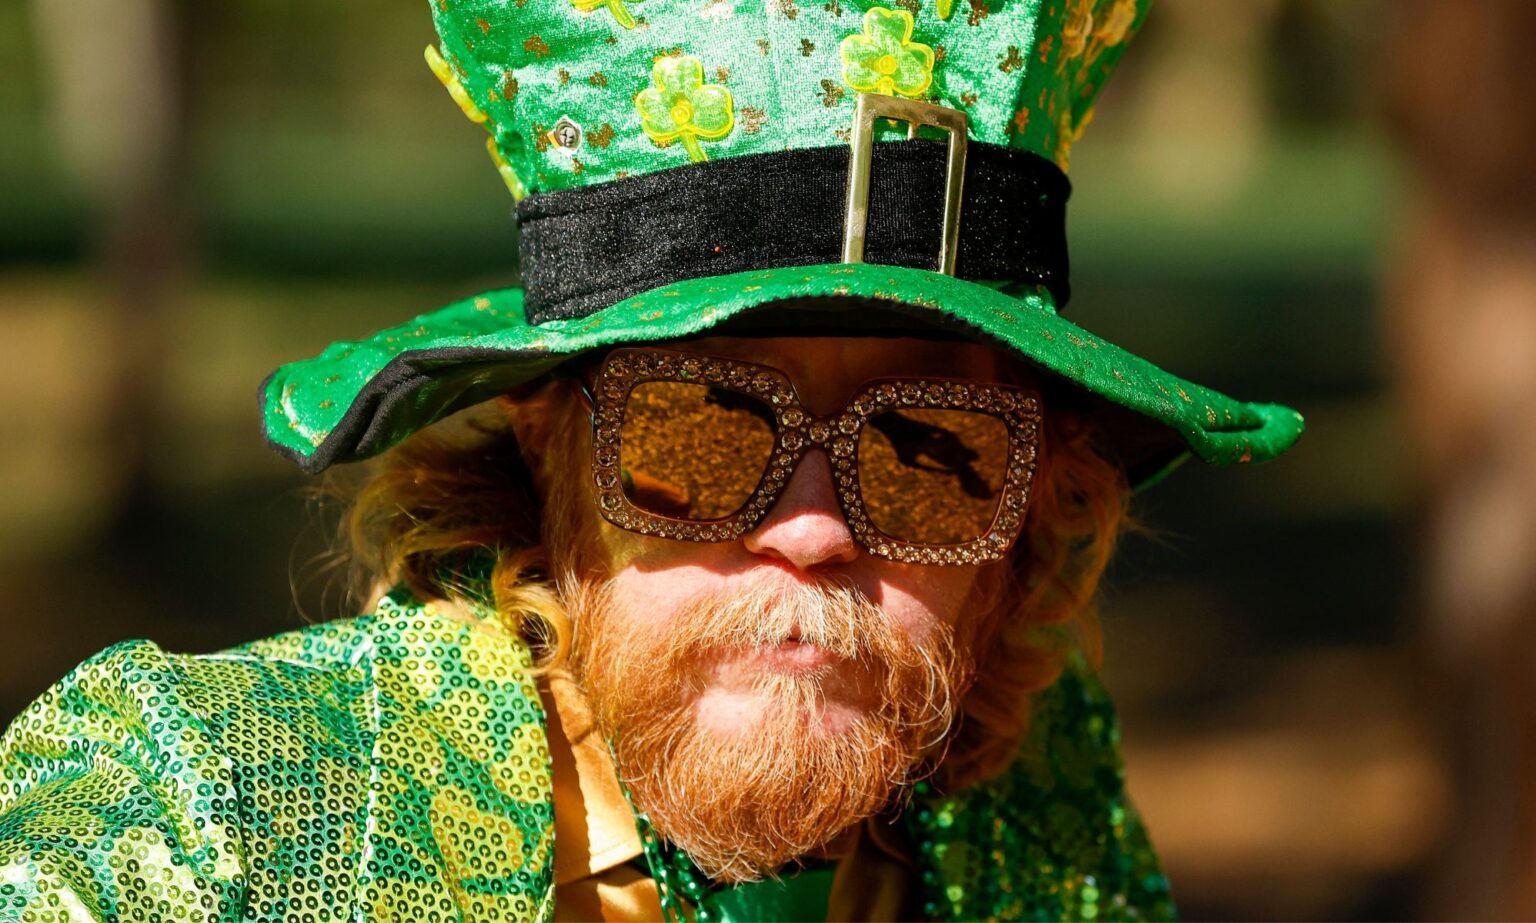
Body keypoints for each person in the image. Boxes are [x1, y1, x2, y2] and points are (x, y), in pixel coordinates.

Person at [0, 0, 1303, 919]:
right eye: (701, 434)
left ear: (1028, 518)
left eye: (932, 457)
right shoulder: (208, 811)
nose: (815, 532)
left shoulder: (1032, 811)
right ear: (547, 440)